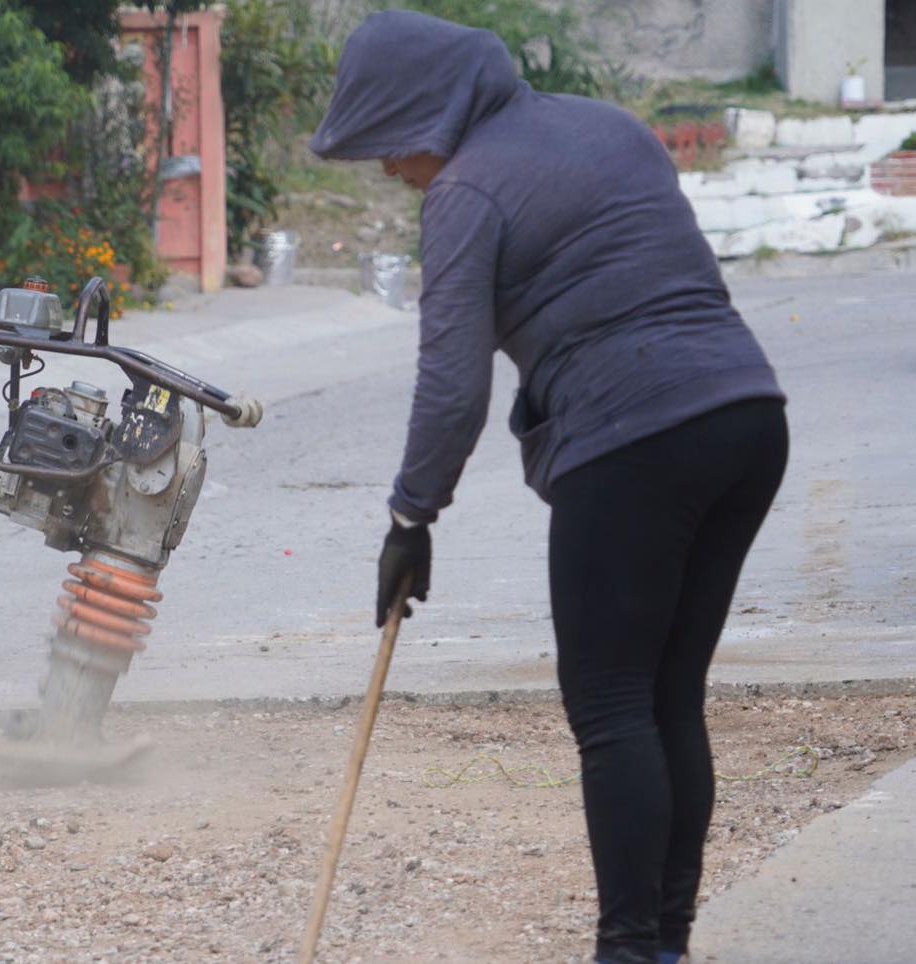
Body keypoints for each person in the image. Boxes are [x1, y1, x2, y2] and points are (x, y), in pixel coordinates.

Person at [311, 12, 787, 964]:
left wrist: (411, 515)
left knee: (612, 704)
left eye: (389, 151)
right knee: (667, 696)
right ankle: (665, 945)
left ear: (423, 117)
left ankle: (629, 950)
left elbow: (452, 387)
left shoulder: (466, 193)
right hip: (747, 414)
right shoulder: (610, 125)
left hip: (634, 441)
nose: (391, 173)